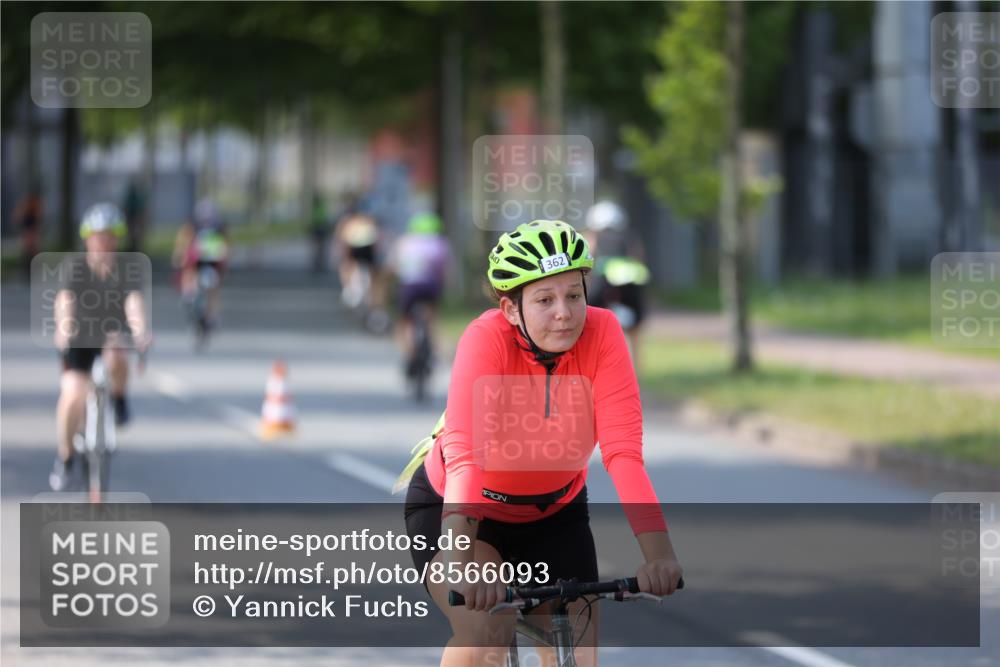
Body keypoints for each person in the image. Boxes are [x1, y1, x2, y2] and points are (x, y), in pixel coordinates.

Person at [401, 219, 682, 667]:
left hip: (555, 514)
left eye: (574, 295)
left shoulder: (604, 333)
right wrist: (460, 564)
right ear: (511, 309)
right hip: (465, 511)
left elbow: (624, 454)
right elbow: (468, 459)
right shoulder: (486, 338)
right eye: (545, 299)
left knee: (579, 655)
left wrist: (659, 556)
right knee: (488, 636)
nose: (564, 313)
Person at [50, 203, 151, 491]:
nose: (104, 242)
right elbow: (65, 299)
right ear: (87, 238)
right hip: (79, 339)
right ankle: (66, 455)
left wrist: (141, 330)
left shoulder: (126, 269)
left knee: (119, 353)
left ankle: (118, 399)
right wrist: (65, 327)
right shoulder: (76, 266)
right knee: (73, 395)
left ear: (117, 239)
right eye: (98, 236)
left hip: (110, 335)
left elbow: (134, 302)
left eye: (110, 236)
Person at [584, 200, 651, 372]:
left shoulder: (592, 237)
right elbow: (638, 259)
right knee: (635, 330)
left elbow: (587, 261)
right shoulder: (629, 238)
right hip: (630, 286)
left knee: (586, 317)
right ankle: (636, 370)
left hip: (603, 285)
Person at [389, 212, 451, 377]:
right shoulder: (440, 243)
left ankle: (410, 354)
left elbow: (394, 267)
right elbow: (444, 270)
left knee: (404, 322)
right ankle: (434, 351)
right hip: (431, 287)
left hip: (409, 286)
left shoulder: (404, 242)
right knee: (431, 318)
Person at [173, 199, 229, 334]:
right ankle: (188, 293)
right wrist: (179, 255)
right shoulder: (191, 227)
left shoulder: (220, 227)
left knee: (214, 285)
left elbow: (226, 246)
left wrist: (225, 259)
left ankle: (212, 314)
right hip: (197, 259)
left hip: (212, 260)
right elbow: (182, 244)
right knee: (189, 270)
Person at [334, 195, 384, 310]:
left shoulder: (349, 220)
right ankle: (371, 296)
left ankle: (348, 290)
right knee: (373, 271)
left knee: (348, 265)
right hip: (368, 245)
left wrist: (340, 249)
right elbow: (377, 236)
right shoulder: (370, 219)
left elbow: (342, 237)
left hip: (355, 245)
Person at [14, 186, 43, 279]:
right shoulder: (29, 206)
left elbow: (38, 219)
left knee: (31, 250)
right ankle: (27, 270)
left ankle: (30, 270)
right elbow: (19, 218)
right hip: (29, 229)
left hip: (31, 229)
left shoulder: (33, 206)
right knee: (29, 250)